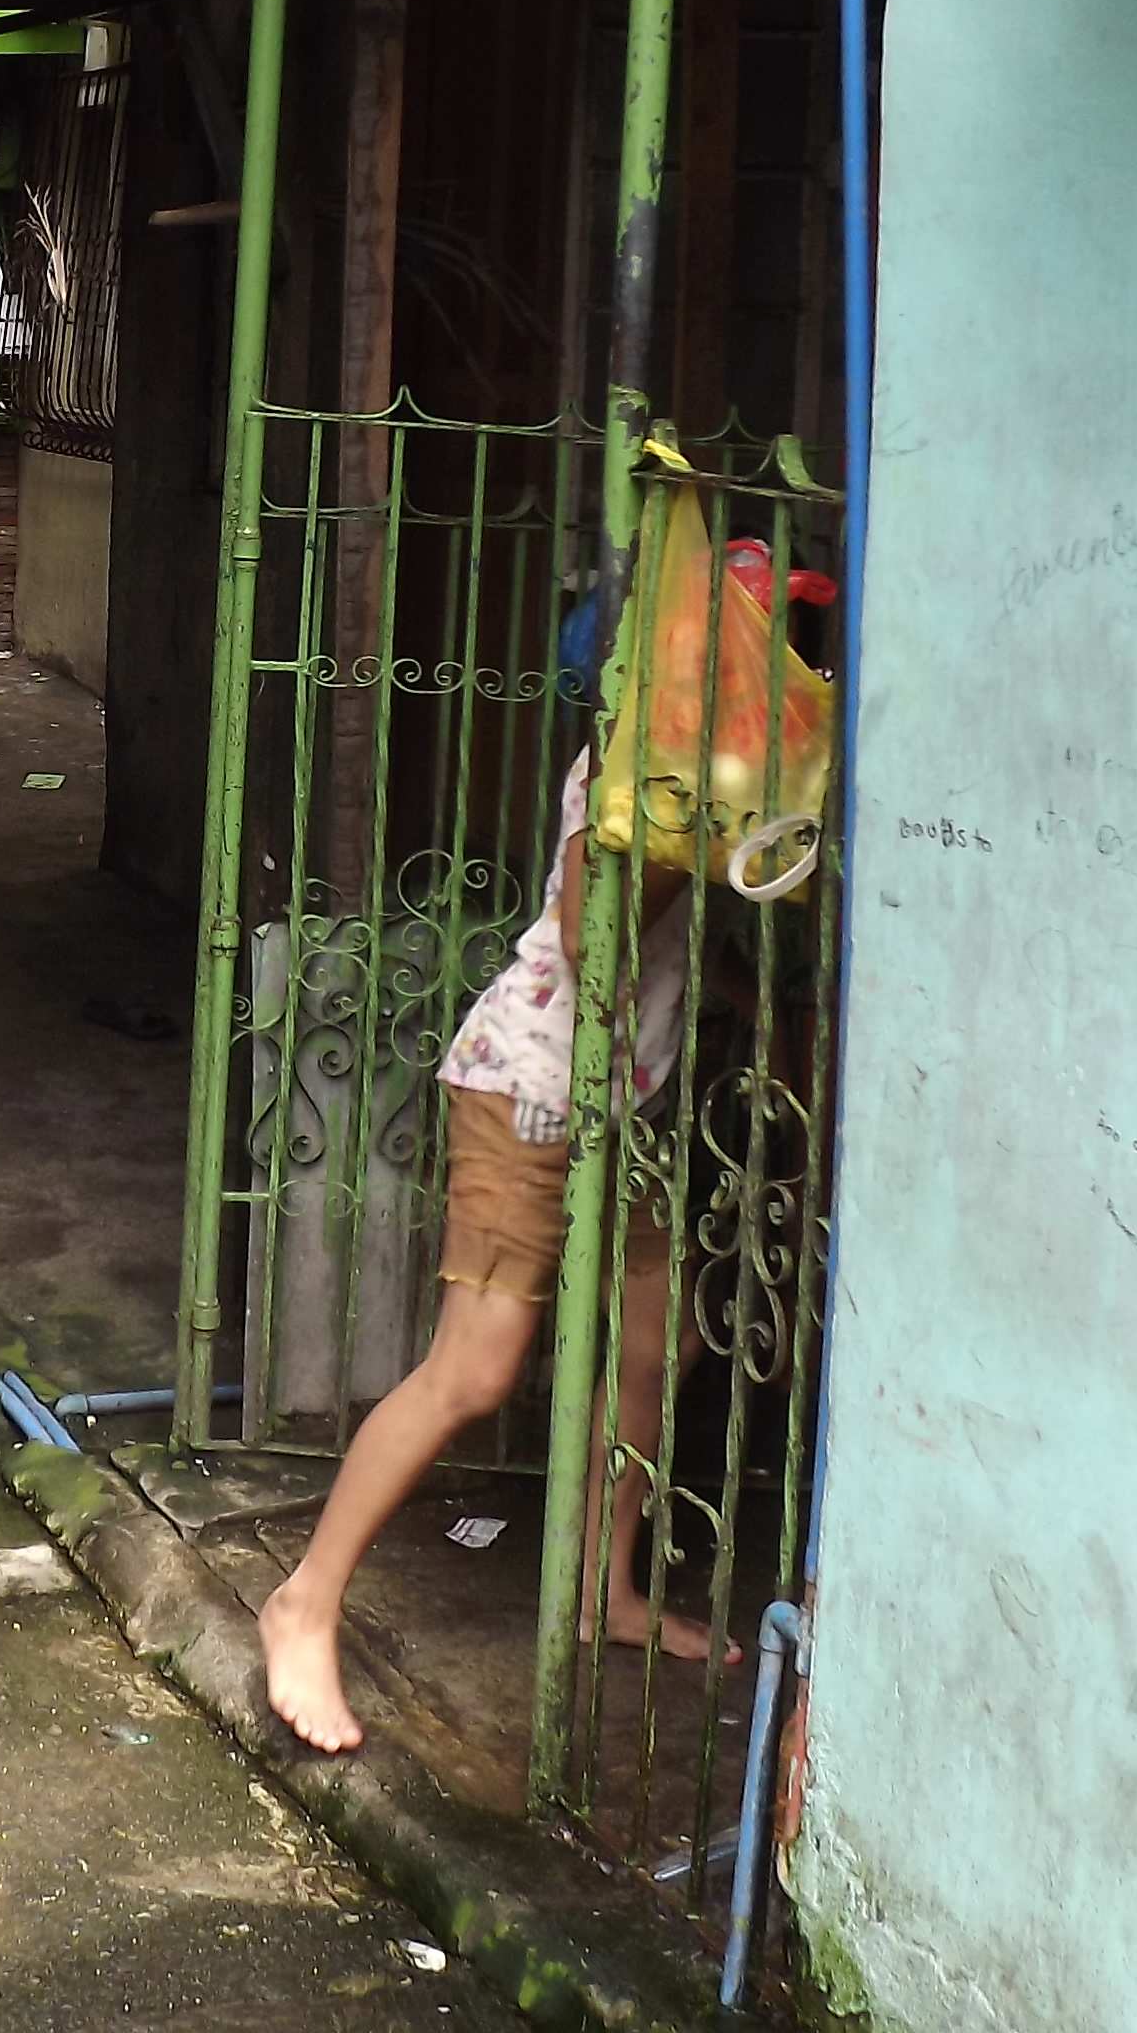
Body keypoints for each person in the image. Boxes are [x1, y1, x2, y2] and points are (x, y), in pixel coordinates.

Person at [257, 750, 713, 1756]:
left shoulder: (705, 748)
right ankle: (304, 1600)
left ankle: (604, 1582)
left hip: (624, 1100)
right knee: (474, 1370)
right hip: (526, 1089)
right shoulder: (639, 754)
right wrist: (695, 838)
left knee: (658, 1338)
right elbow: (595, 938)